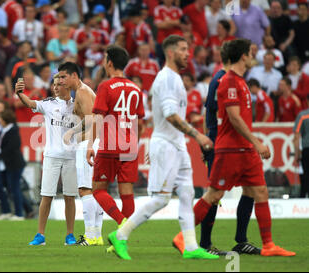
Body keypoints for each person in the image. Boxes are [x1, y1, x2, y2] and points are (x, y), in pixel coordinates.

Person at [175, 38, 295, 257]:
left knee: (259, 191)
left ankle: (267, 245)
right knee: (214, 194)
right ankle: (185, 237)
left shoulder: (240, 81)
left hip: (245, 149)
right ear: (243, 56)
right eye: (250, 53)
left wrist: (252, 143)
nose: (253, 57)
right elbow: (232, 117)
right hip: (231, 149)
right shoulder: (227, 81)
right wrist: (256, 141)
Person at [105, 37, 217, 261]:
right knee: (161, 199)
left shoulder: (175, 78)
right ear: (171, 52)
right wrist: (197, 135)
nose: (188, 54)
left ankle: (191, 246)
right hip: (166, 144)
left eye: (188, 49)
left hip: (177, 144)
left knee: (186, 193)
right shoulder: (167, 79)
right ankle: (120, 235)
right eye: (184, 49)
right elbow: (170, 115)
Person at [200, 42, 262, 256]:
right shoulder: (221, 80)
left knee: (251, 189)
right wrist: (209, 140)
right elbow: (211, 113)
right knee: (215, 194)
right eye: (249, 53)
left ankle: (241, 240)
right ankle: (204, 244)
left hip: (237, 146)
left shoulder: (234, 79)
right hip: (222, 144)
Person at [84, 45, 145, 257]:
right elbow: (140, 121)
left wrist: (91, 144)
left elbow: (98, 118)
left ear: (109, 62)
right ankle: (122, 241)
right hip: (130, 147)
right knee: (126, 192)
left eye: (104, 58)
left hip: (111, 145)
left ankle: (122, 223)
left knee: (98, 190)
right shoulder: (136, 89)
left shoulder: (106, 86)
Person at [15, 74, 78, 246]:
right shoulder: (49, 104)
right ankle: (40, 235)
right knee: (46, 196)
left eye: (59, 84)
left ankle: (70, 235)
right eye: (54, 84)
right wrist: (19, 93)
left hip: (71, 157)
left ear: (68, 86)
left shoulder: (77, 104)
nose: (56, 87)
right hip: (51, 156)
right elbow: (30, 103)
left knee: (69, 197)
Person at [59, 62, 104, 246]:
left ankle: (90, 236)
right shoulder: (84, 91)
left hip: (89, 143)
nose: (61, 81)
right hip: (94, 142)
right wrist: (73, 131)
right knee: (95, 190)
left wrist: (87, 144)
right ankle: (97, 235)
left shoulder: (82, 92)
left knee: (85, 189)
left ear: (74, 76)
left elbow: (93, 119)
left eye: (63, 76)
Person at [0, 109, 27, 220]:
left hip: (14, 164)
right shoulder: (3, 130)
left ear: (5, 120)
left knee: (14, 188)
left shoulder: (13, 130)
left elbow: (11, 148)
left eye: (0, 119)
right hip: (5, 164)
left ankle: (19, 214)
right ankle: (6, 211)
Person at [294, 100, 309, 198]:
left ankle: (303, 200)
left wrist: (297, 154)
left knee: (306, 175)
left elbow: (297, 136)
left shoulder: (303, 116)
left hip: (307, 149)